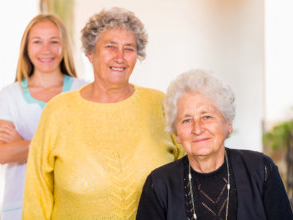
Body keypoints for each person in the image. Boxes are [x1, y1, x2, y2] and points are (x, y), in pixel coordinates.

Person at [22, 7, 183, 220]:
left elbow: (187, 178)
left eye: (129, 49)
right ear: (90, 53)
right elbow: (37, 193)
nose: (120, 57)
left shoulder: (160, 104)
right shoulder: (58, 111)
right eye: (110, 46)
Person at [136, 69, 293, 220]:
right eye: (186, 120)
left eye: (207, 116)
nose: (197, 129)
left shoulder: (261, 170)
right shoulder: (158, 185)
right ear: (176, 133)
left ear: (228, 124)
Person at [0, 14, 86, 220]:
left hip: (71, 204)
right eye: (37, 41)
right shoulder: (9, 96)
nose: (45, 50)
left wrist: (23, 144)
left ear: (64, 46)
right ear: (26, 48)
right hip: (19, 206)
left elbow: (87, 148)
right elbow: (4, 154)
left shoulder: (82, 91)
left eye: (54, 42)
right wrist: (62, 143)